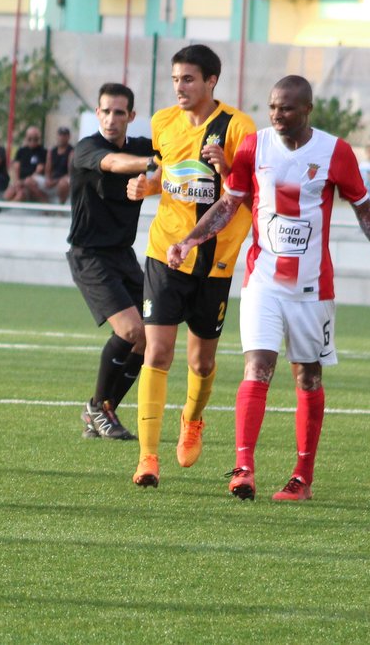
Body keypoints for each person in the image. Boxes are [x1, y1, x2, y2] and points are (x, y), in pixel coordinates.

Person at [166, 75, 370, 501]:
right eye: (272, 107)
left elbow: (365, 210)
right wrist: (189, 240)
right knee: (257, 367)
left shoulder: (335, 152)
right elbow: (230, 202)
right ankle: (243, 469)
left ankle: (302, 478)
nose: (277, 115)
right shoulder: (254, 146)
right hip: (263, 281)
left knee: (308, 377)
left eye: (286, 108)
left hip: (312, 289)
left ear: (307, 110)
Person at [126, 44, 256, 488]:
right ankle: (147, 458)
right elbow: (167, 175)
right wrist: (146, 187)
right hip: (165, 253)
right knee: (157, 352)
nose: (179, 87)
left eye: (188, 79)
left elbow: (249, 194)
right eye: (175, 79)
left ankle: (192, 418)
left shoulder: (238, 127)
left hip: (215, 263)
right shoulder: (163, 122)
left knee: (201, 363)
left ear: (211, 81)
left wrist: (229, 168)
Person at [68, 83, 155, 441]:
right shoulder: (87, 148)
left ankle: (103, 412)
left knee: (149, 336)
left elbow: (177, 150)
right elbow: (114, 163)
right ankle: (97, 408)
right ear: (97, 113)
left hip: (123, 255)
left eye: (119, 112)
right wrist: (151, 164)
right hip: (90, 255)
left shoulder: (143, 146)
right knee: (130, 330)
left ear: (131, 116)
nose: (111, 118)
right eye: (105, 111)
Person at [5, 126, 48, 203]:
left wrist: (24, 181)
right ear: (26, 138)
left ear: (39, 138)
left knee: (22, 193)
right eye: (30, 138)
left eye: (35, 139)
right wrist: (17, 181)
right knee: (9, 193)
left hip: (34, 180)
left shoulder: (43, 151)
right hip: (21, 180)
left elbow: (40, 169)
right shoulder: (21, 151)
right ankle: (2, 206)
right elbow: (16, 167)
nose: (32, 141)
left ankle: (44, 201)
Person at [44, 126, 73, 204]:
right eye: (60, 135)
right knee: (31, 182)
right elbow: (48, 169)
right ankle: (45, 204)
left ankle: (60, 206)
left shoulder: (71, 152)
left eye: (64, 135)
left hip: (64, 179)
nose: (62, 137)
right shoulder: (52, 151)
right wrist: (48, 179)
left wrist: (55, 182)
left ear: (68, 137)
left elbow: (70, 172)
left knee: (63, 184)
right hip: (53, 179)